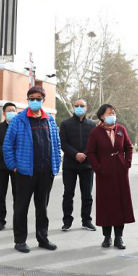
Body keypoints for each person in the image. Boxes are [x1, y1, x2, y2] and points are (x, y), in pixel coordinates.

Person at [3, 86, 62, 253]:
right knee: (21, 207)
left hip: (46, 173)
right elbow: (8, 145)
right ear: (28, 99)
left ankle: (43, 239)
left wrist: (56, 165)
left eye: (38, 98)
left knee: (42, 208)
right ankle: (20, 241)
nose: (35, 101)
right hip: (25, 173)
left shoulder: (50, 120)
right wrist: (13, 166)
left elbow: (56, 145)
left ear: (43, 100)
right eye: (32, 98)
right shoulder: (19, 120)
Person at [86, 104, 135, 249]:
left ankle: (119, 237)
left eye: (113, 112)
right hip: (104, 173)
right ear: (102, 116)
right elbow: (91, 152)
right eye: (109, 113)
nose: (112, 115)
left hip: (120, 171)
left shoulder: (121, 129)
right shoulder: (95, 132)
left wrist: (127, 163)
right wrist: (98, 168)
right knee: (106, 205)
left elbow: (129, 147)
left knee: (120, 204)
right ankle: (107, 237)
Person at [59, 98, 97, 232]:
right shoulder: (66, 124)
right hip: (70, 164)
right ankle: (67, 221)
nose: (79, 107)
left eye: (82, 105)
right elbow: (63, 143)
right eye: (77, 106)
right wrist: (75, 154)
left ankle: (86, 220)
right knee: (68, 194)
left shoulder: (92, 125)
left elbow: (94, 144)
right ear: (73, 108)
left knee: (87, 195)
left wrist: (84, 154)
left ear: (86, 108)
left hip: (87, 166)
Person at [0, 102, 17, 231]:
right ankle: (0, 220)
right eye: (9, 110)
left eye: (13, 110)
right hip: (1, 166)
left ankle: (18, 219)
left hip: (16, 167)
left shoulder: (20, 127)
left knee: (17, 194)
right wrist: (7, 153)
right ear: (4, 113)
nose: (11, 112)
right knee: (1, 194)